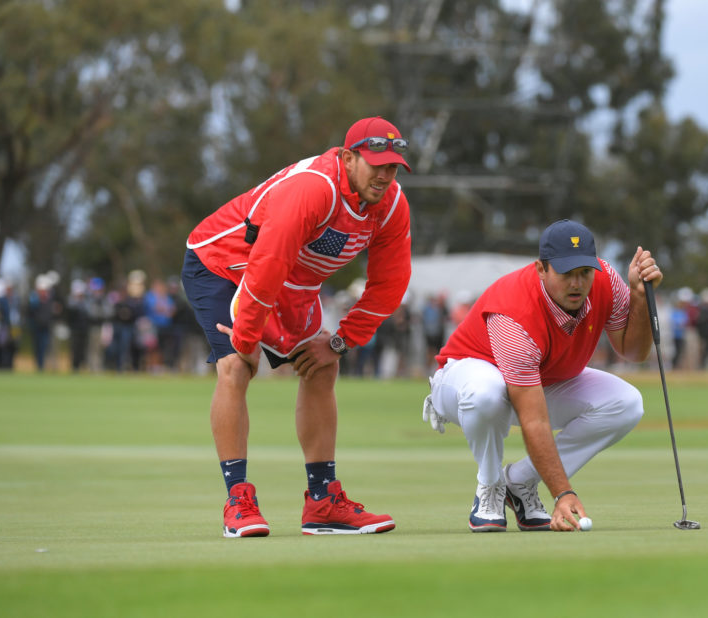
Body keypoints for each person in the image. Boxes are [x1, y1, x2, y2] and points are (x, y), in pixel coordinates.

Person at [180, 116, 413, 538]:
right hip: (226, 263)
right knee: (236, 364)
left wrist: (341, 342)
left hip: (292, 279)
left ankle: (323, 503)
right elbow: (267, 263)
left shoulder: (392, 205)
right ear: (347, 157)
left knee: (322, 366)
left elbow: (390, 283)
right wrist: (247, 337)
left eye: (393, 166)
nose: (385, 174)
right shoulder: (314, 189)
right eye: (376, 163)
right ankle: (238, 502)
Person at [421, 219, 662, 532]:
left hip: (543, 377)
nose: (576, 283)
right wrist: (563, 492)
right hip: (464, 377)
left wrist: (640, 297)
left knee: (627, 403)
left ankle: (519, 483)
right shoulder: (515, 313)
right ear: (541, 269)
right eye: (566, 274)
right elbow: (534, 420)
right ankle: (490, 487)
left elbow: (634, 352)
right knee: (487, 394)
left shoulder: (607, 280)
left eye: (584, 273)